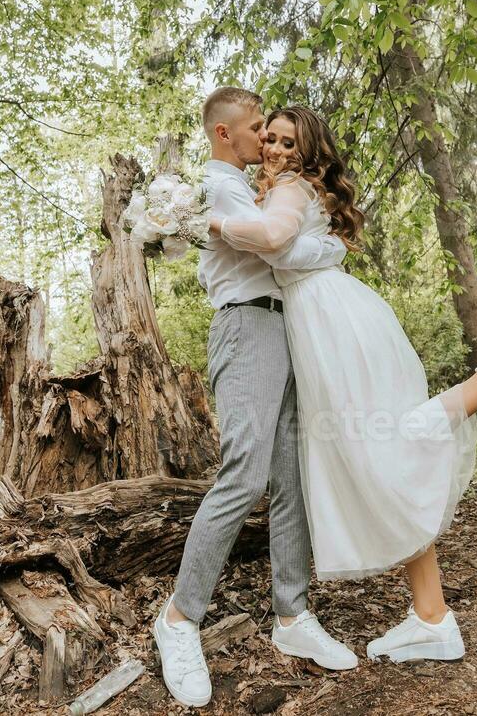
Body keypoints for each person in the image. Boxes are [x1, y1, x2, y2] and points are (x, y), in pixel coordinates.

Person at [208, 104, 477, 664]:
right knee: (379, 458)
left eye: (287, 142)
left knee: (380, 445)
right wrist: (324, 246)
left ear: (309, 152)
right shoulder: (291, 189)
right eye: (268, 138)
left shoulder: (291, 188)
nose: (273, 149)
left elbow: (273, 240)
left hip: (332, 324)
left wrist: (207, 221)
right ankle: (432, 616)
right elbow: (296, 245)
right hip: (327, 320)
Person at [153, 88, 359, 709]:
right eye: (254, 131)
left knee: (290, 476)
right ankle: (180, 620)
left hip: (286, 324)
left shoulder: (250, 187)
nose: (263, 141)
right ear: (224, 134)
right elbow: (273, 243)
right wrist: (330, 246)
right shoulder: (219, 190)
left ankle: (292, 617)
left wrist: (328, 246)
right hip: (246, 325)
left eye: (272, 134)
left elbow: (289, 246)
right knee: (243, 475)